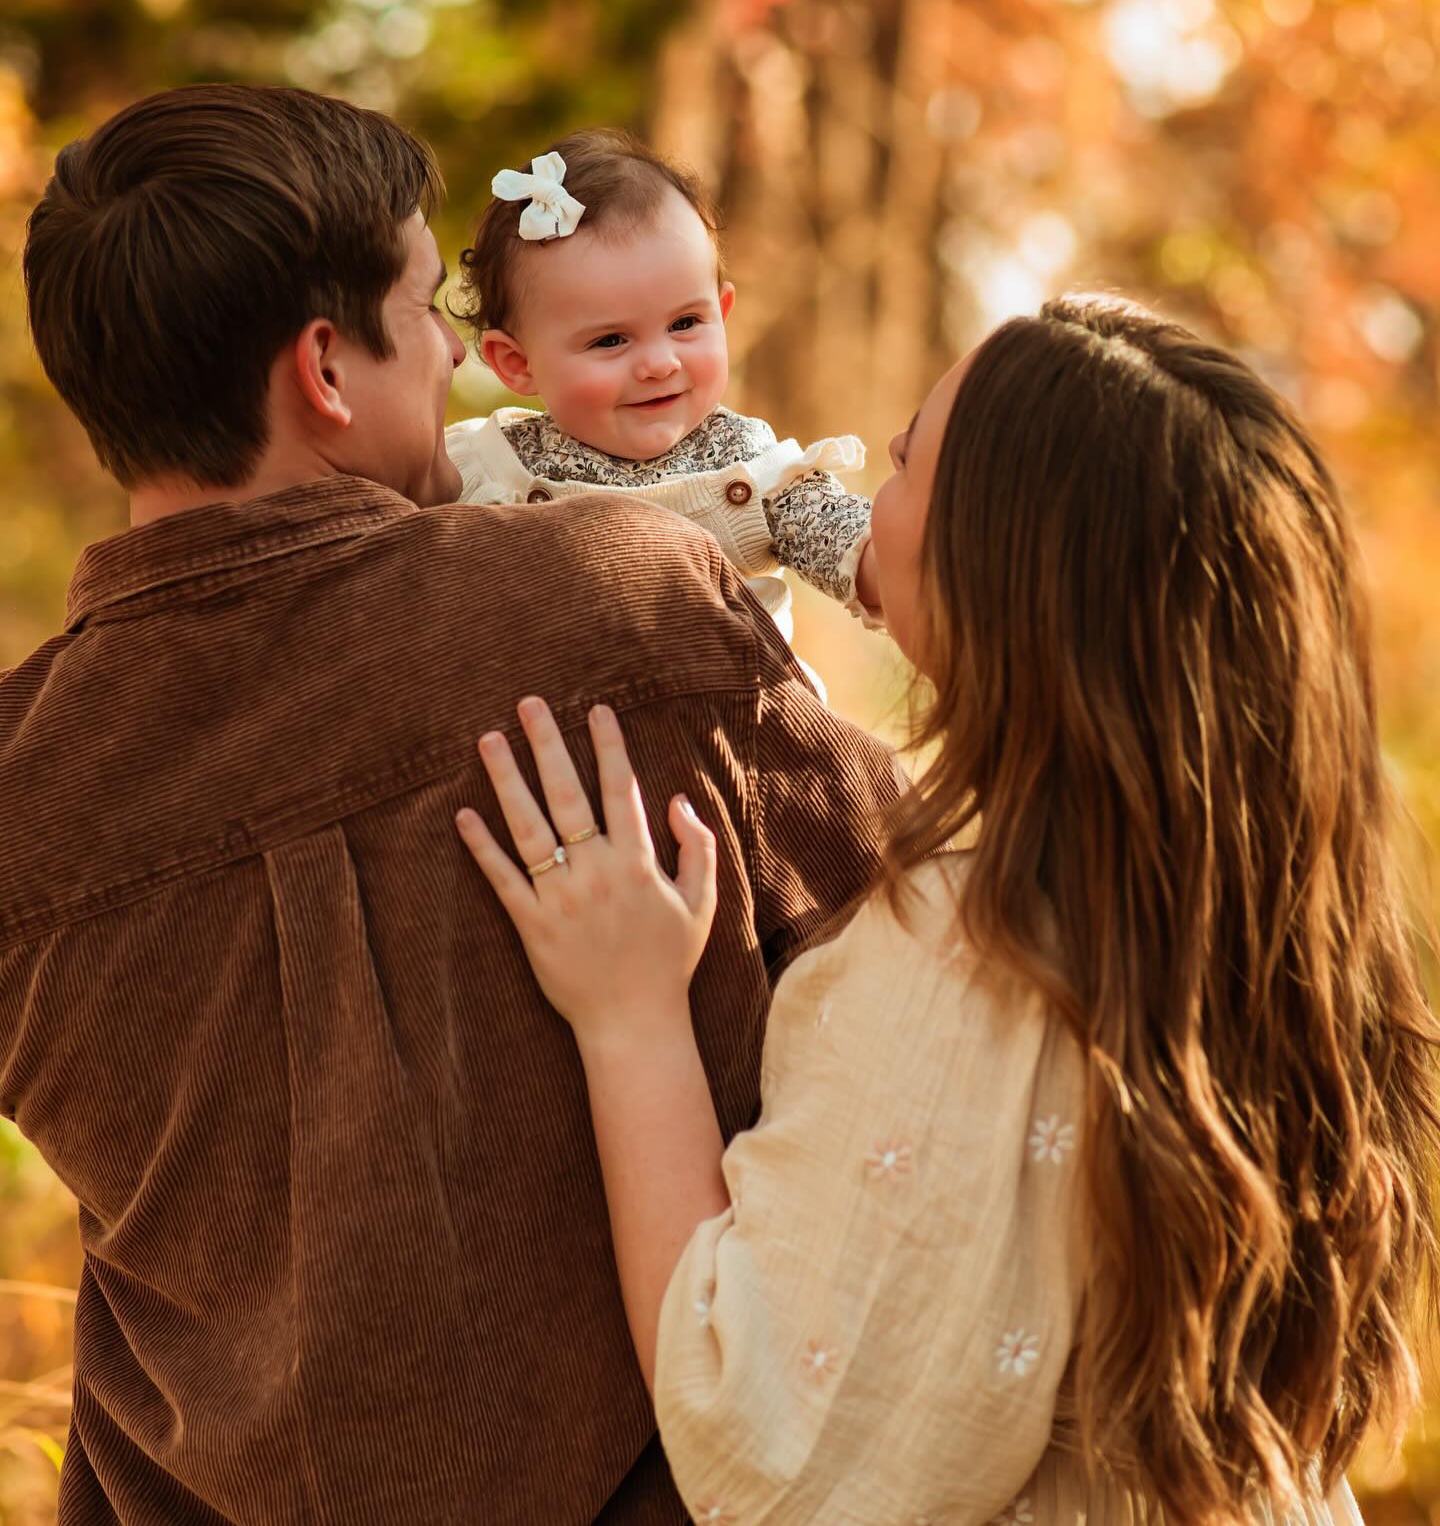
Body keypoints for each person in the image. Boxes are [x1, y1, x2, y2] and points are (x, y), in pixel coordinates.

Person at [2, 82, 901, 1525]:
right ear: (325, 370)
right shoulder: (612, 600)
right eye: (425, 315)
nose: (453, 361)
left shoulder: (21, 794)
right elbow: (938, 916)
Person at [458, 294, 1440, 1526]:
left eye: (909, 458)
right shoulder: (1255, 900)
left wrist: (627, 1017)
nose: (875, 499)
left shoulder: (987, 938)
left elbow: (767, 1442)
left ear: (998, 563)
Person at [444, 130, 882, 644]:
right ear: (517, 363)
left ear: (721, 314)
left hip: (732, 718)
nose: (658, 363)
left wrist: (905, 567)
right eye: (610, 340)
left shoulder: (751, 468)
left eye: (684, 324)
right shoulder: (483, 465)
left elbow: (852, 543)